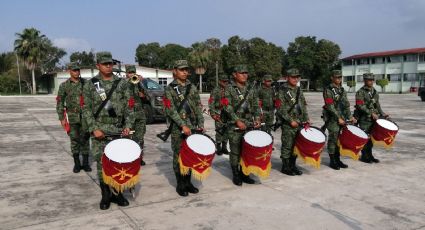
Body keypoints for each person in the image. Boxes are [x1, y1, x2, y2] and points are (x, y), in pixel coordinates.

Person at [83, 51, 135, 210]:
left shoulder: (122, 83)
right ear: (97, 65)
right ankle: (106, 195)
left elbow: (129, 107)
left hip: (118, 130)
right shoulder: (91, 84)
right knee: (102, 164)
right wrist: (94, 129)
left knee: (119, 162)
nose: (108, 66)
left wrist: (128, 126)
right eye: (104, 64)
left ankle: (118, 193)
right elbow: (86, 109)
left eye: (110, 63)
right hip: (100, 131)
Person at [163, 60, 204, 197]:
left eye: (186, 69)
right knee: (178, 155)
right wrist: (182, 125)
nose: (185, 72)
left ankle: (188, 182)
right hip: (177, 128)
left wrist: (201, 124)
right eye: (181, 70)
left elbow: (198, 107)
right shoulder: (169, 89)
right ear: (175, 71)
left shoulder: (192, 87)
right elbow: (170, 110)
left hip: (192, 127)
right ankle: (180, 183)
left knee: (190, 155)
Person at [221, 65, 261, 186]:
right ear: (234, 74)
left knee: (247, 150)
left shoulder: (251, 88)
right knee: (235, 151)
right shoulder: (228, 88)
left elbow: (255, 105)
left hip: (249, 125)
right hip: (234, 126)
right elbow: (226, 106)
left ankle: (245, 173)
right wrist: (237, 120)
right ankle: (236, 174)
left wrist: (257, 118)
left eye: (246, 73)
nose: (244, 75)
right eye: (241, 73)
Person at [56, 62, 91, 173]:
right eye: (74, 70)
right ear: (69, 71)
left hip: (85, 117)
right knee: (74, 139)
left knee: (85, 138)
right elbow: (60, 102)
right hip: (72, 117)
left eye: (78, 70)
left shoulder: (86, 83)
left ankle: (85, 163)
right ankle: (77, 163)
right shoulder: (64, 85)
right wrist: (62, 118)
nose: (76, 72)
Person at [276, 68, 310, 176]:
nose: (295, 79)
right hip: (288, 124)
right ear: (287, 78)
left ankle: (293, 165)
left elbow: (303, 106)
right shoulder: (282, 90)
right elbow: (280, 109)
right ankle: (285, 167)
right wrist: (290, 121)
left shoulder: (299, 90)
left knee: (296, 145)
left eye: (297, 77)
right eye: (293, 77)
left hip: (299, 122)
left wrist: (306, 119)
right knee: (287, 145)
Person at [322, 70, 356, 170]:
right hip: (332, 119)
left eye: (340, 77)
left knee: (339, 139)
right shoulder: (328, 90)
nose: (339, 79)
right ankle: (332, 160)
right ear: (332, 78)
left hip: (342, 119)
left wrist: (350, 116)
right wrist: (338, 118)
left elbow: (346, 105)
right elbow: (330, 106)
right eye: (337, 77)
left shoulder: (342, 90)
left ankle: (338, 159)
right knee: (333, 139)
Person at [354, 73, 389, 163]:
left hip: (373, 119)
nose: (371, 81)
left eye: (372, 80)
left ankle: (370, 155)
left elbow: (377, 104)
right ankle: (364, 156)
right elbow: (360, 105)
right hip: (364, 119)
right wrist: (371, 113)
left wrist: (382, 113)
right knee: (365, 138)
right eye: (369, 80)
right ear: (365, 80)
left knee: (371, 138)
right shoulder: (360, 92)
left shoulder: (374, 91)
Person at [125, 65, 148, 166]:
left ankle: (139, 157)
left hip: (140, 115)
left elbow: (147, 96)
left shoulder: (139, 83)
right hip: (128, 115)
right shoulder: (123, 84)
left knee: (140, 138)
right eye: (129, 73)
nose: (131, 75)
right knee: (128, 138)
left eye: (133, 72)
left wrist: (142, 90)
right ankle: (130, 157)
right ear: (126, 74)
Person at [208, 74, 230, 155]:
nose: (226, 83)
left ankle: (224, 147)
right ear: (220, 81)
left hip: (228, 113)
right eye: (224, 81)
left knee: (227, 130)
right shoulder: (215, 90)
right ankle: (219, 147)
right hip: (219, 112)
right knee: (219, 131)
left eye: (227, 81)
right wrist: (213, 113)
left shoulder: (229, 89)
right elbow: (211, 102)